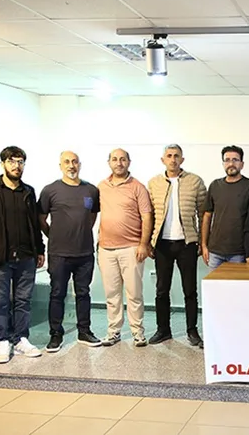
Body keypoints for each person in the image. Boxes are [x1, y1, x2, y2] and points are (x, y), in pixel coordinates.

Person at [0, 146, 45, 364]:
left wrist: (40, 249)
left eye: (20, 162)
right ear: (2, 164)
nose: (16, 166)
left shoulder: (28, 191)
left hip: (26, 256)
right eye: (12, 161)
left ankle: (21, 339)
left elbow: (34, 224)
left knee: (23, 301)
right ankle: (2, 341)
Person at [38, 151, 102, 352]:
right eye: (67, 162)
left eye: (74, 161)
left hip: (84, 253)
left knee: (83, 293)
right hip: (59, 254)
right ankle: (55, 335)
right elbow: (41, 219)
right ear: (60, 166)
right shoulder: (50, 190)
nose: (71, 165)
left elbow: (92, 216)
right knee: (57, 293)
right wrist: (54, 235)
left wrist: (81, 232)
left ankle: (84, 331)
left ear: (80, 165)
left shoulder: (91, 190)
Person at [148, 144, 208, 348]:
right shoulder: (154, 183)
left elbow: (203, 213)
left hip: (187, 244)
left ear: (182, 159)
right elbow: (149, 215)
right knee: (161, 290)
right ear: (163, 160)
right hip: (162, 244)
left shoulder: (195, 181)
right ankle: (163, 330)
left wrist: (201, 241)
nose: (173, 159)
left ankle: (192, 330)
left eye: (176, 156)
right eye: (169, 156)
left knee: (190, 290)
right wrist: (148, 242)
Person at [97, 148, 153, 348]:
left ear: (129, 162)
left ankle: (138, 332)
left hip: (131, 248)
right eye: (114, 159)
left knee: (134, 294)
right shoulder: (101, 187)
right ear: (109, 162)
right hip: (106, 249)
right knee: (112, 295)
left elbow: (147, 217)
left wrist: (143, 244)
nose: (118, 163)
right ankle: (114, 332)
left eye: (122, 159)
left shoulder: (138, 187)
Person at [202, 145, 249, 270]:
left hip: (239, 252)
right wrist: (204, 245)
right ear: (223, 164)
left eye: (235, 160)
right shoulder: (215, 185)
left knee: (236, 284)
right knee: (213, 283)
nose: (231, 164)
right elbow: (207, 216)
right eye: (227, 160)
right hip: (214, 252)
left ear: (242, 164)